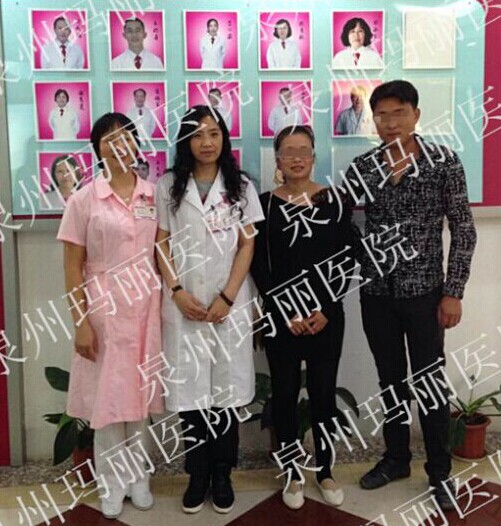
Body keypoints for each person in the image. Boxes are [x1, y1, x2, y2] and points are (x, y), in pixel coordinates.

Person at [347, 80, 476, 510]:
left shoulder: (443, 162)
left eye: (398, 112)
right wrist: (364, 257)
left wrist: (453, 291)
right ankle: (396, 459)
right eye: (381, 115)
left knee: (430, 385)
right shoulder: (364, 167)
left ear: (416, 115)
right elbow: (340, 222)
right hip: (377, 295)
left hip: (426, 294)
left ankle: (440, 472)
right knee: (390, 382)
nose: (390, 122)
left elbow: (464, 229)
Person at [155, 105, 264, 515]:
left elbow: (247, 243)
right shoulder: (168, 185)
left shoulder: (241, 186)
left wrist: (229, 296)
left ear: (224, 139)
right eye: (198, 134)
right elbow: (161, 243)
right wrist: (176, 291)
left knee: (225, 395)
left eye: (214, 133)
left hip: (227, 305)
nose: (206, 142)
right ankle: (196, 474)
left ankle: (222, 474)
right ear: (186, 141)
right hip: (185, 305)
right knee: (192, 395)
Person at [57, 112, 164, 519]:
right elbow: (72, 267)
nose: (119, 146)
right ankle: (112, 483)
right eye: (108, 140)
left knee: (139, 399)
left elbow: (164, 252)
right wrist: (80, 322)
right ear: (97, 150)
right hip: (102, 308)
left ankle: (140, 479)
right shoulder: (84, 200)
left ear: (136, 144)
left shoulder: (153, 195)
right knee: (107, 403)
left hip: (145, 307)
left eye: (126, 138)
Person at [251, 125, 355, 511]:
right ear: (277, 160)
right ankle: (293, 472)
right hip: (283, 318)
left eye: (304, 150)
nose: (297, 158)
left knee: (324, 394)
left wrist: (325, 308)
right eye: (288, 151)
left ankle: (325, 470)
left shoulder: (335, 201)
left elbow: (347, 258)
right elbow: (259, 266)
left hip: (326, 317)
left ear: (314, 157)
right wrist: (285, 309)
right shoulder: (264, 206)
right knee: (284, 394)